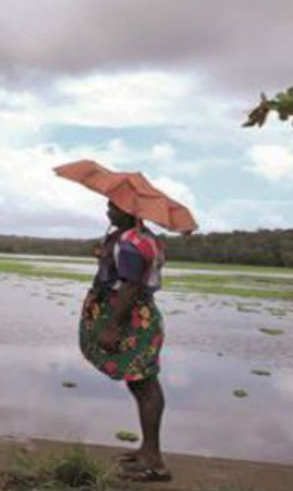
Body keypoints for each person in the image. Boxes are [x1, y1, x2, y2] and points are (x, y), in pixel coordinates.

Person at [79, 200, 171, 483]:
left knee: (145, 383)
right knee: (140, 382)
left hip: (131, 318)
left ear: (131, 211)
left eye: (113, 207)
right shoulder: (132, 239)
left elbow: (130, 286)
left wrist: (112, 325)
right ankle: (147, 449)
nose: (108, 212)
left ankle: (154, 463)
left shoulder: (132, 243)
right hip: (134, 315)